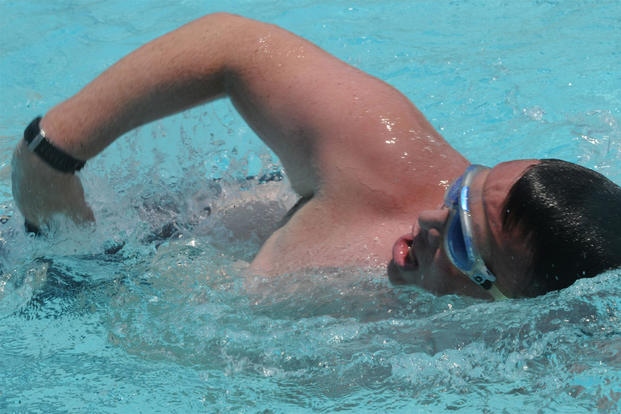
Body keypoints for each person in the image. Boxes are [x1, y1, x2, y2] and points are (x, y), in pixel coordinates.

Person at [11, 13, 621, 300]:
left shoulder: (520, 342)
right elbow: (233, 45)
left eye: (463, 239)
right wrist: (52, 153)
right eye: (462, 190)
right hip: (124, 250)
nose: (431, 218)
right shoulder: (388, 161)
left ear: (508, 298)